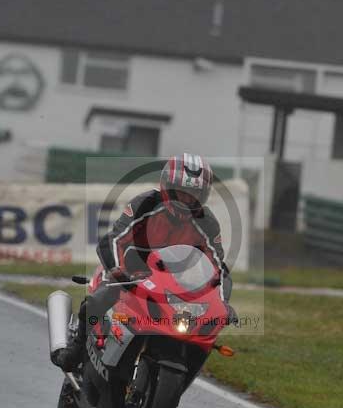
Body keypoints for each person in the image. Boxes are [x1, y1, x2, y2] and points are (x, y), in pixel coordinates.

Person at [52, 153, 235, 372]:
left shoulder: (207, 223)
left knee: (198, 326)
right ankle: (76, 347)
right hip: (129, 273)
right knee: (96, 301)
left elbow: (218, 267)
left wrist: (222, 303)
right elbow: (112, 240)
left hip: (173, 286)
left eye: (192, 196)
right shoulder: (145, 204)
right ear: (167, 187)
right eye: (180, 193)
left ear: (203, 196)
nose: (185, 201)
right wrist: (117, 271)